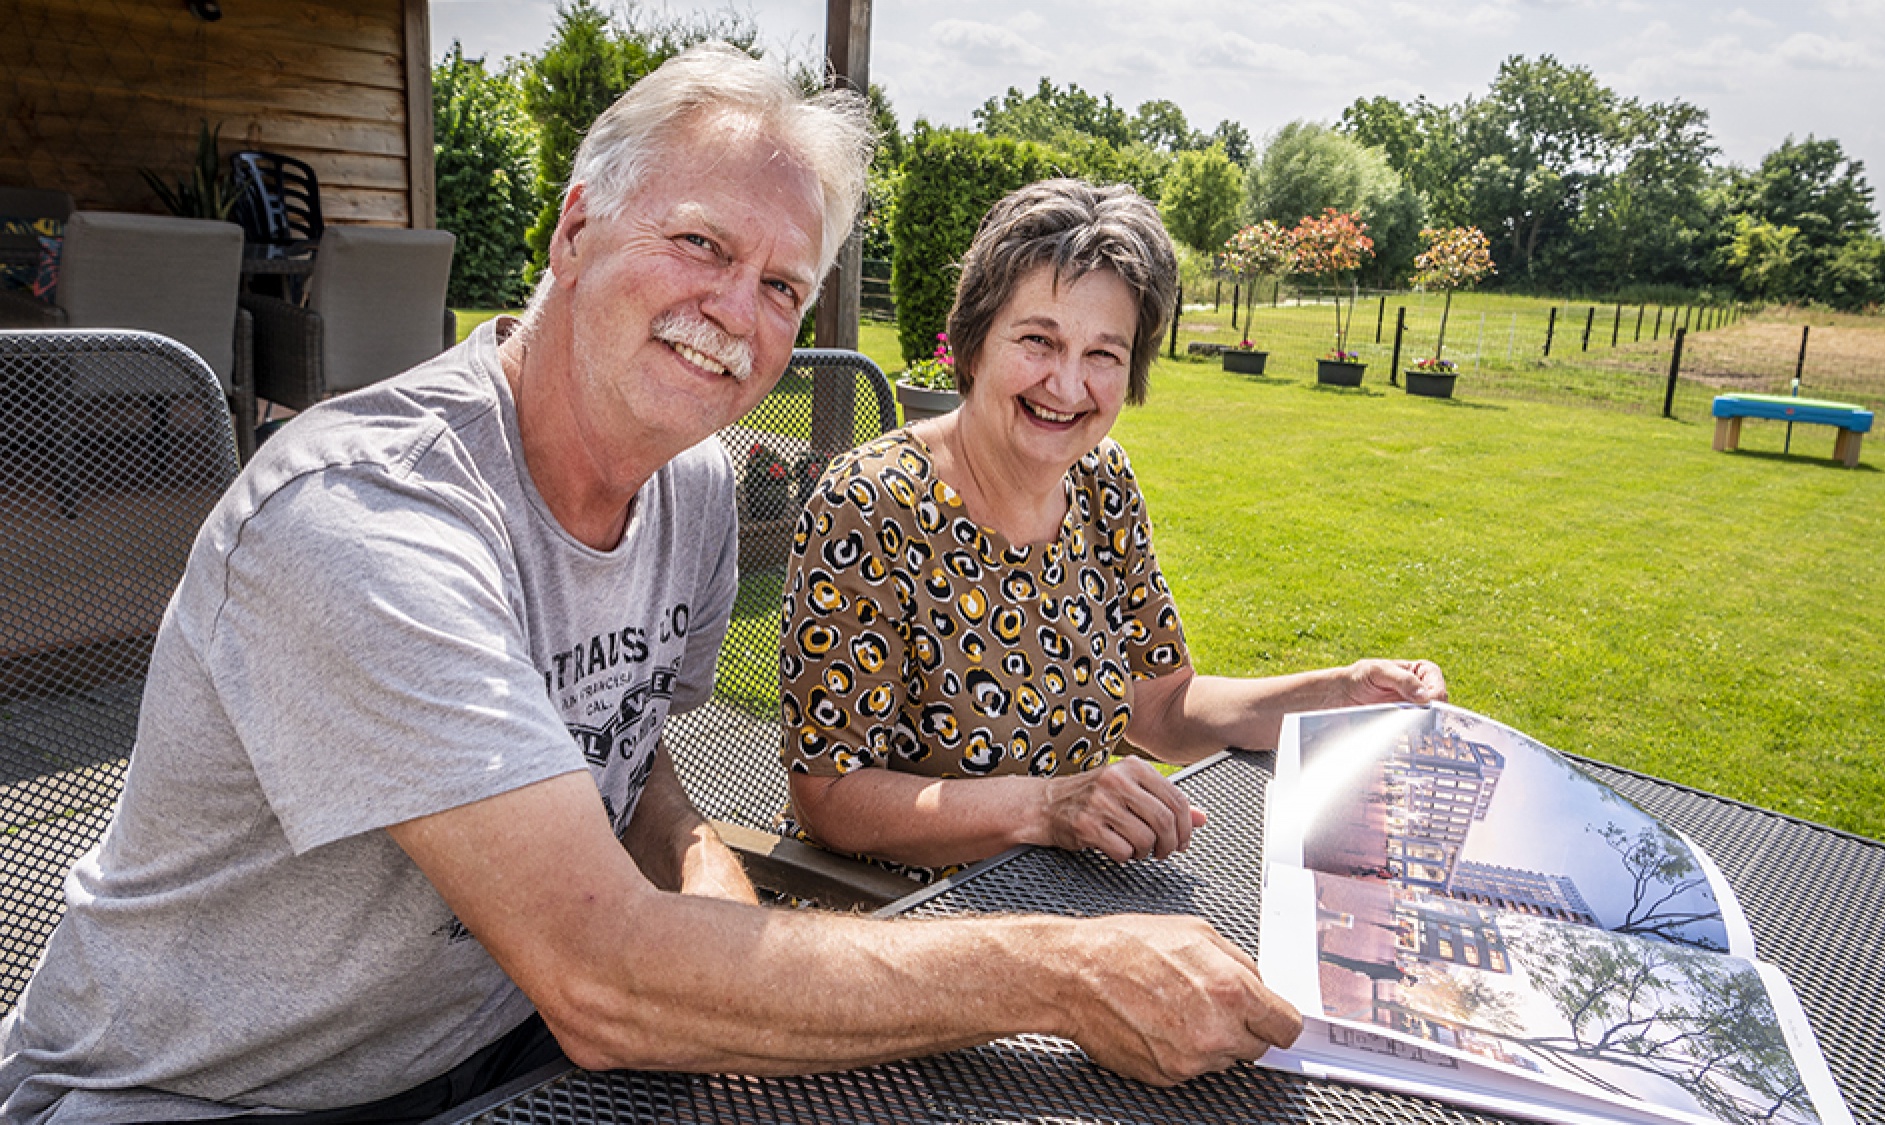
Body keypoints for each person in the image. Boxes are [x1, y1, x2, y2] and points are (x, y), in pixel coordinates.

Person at [0, 48, 1300, 1125]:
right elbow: (605, 978)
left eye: (781, 283)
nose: (734, 309)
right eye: (697, 242)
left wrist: (706, 886)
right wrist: (1065, 974)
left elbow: (633, 759)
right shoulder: (367, 518)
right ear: (574, 228)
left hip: (503, 1061)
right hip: (193, 1097)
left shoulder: (687, 486)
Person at [779, 180, 1447, 881]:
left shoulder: (1102, 482)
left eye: (1103, 354)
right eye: (1039, 340)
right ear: (973, 344)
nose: (1068, 386)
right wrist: (1044, 807)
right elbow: (830, 796)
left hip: (1072, 896)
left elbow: (1161, 706)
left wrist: (1339, 694)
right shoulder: (873, 504)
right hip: (898, 914)